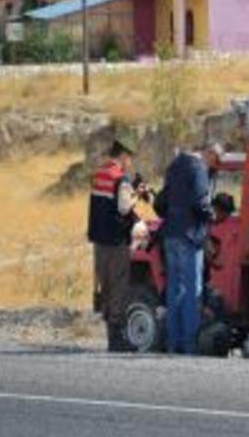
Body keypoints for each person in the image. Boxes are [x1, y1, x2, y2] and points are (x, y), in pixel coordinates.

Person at [156, 143, 226, 354]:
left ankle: (172, 342)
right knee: (192, 292)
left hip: (170, 234)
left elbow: (161, 201)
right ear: (210, 154)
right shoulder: (198, 169)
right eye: (217, 160)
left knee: (174, 289)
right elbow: (200, 203)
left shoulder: (174, 166)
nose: (217, 165)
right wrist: (212, 215)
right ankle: (189, 344)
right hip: (189, 236)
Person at [87, 135, 143, 351]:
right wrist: (136, 193)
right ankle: (117, 340)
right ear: (123, 155)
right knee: (119, 286)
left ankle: (111, 338)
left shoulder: (99, 174)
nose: (130, 162)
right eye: (129, 158)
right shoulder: (121, 179)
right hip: (117, 240)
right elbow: (124, 208)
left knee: (106, 286)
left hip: (99, 241)